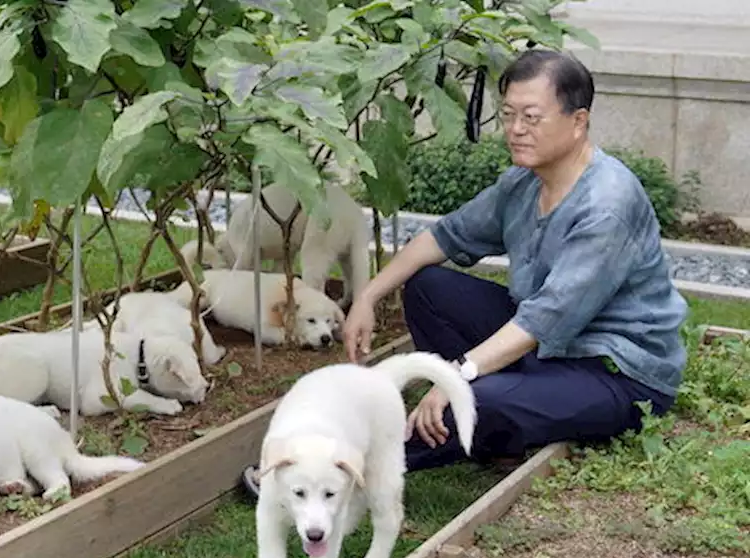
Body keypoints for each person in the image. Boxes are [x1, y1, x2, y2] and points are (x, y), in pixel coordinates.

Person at [240, 48, 688, 496]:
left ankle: (328, 470)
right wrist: (368, 296)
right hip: (551, 352)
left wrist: (459, 375)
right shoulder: (524, 182)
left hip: (614, 374)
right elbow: (444, 238)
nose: (515, 129)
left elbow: (544, 320)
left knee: (478, 399)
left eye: (531, 117)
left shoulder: (606, 206)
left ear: (578, 121)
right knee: (428, 286)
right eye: (508, 113)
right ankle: (501, 424)